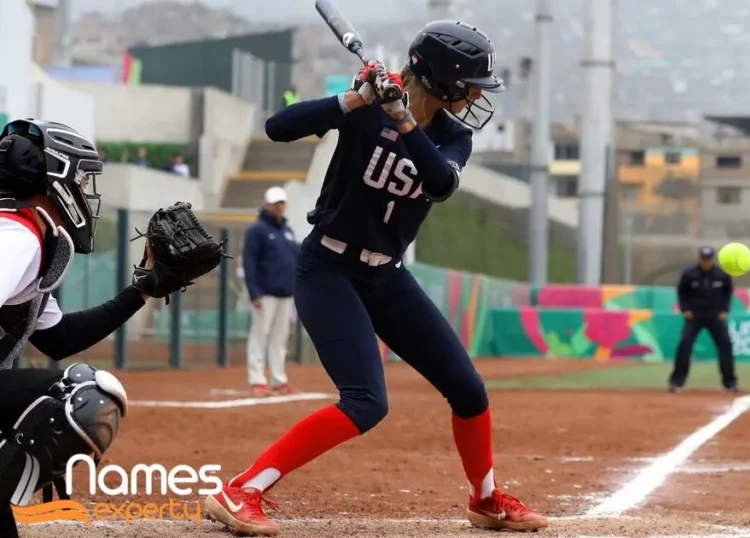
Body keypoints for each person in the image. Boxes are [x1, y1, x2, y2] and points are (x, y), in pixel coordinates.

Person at [203, 20, 547, 536]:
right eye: (472, 83)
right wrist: (352, 100)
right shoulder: (364, 114)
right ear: (445, 79)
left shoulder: (454, 135)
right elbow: (277, 127)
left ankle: (485, 499)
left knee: (469, 390)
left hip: (387, 276)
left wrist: (404, 119)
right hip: (329, 270)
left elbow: (438, 183)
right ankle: (241, 489)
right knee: (366, 401)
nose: (477, 95)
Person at [0, 119, 157, 535]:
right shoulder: (17, 236)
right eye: (82, 179)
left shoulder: (22, 229)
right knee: (82, 396)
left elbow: (59, 338)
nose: (86, 192)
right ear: (55, 179)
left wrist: (141, 290)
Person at [243, 186, 300, 396]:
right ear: (267, 205)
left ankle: (278, 378)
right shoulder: (257, 230)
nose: (279, 207)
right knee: (259, 336)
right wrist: (254, 292)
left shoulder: (288, 231)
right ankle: (257, 379)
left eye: (282, 203)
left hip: (286, 295)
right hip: (265, 294)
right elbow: (249, 263)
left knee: (280, 338)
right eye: (276, 203)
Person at [669, 246, 737, 393]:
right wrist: (685, 308)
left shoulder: (722, 274)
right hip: (694, 316)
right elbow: (682, 291)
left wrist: (725, 310)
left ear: (713, 259)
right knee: (685, 344)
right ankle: (676, 381)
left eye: (709, 259)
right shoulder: (689, 273)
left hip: (715, 316)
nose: (706, 262)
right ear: (700, 259)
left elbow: (728, 292)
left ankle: (730, 382)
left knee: (725, 345)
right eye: (704, 259)